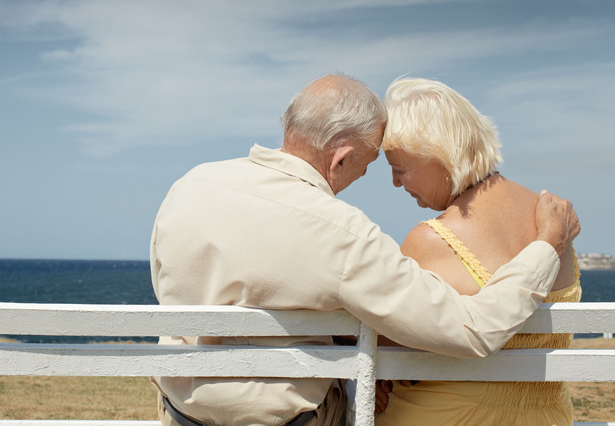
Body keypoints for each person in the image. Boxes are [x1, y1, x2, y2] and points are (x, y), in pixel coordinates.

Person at [149, 74, 580, 426]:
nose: (383, 181)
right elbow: (471, 330)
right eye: (372, 164)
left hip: (180, 412)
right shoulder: (340, 230)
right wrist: (547, 246)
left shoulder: (190, 186)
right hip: (286, 420)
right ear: (341, 159)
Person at [375, 77, 582, 426]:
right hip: (550, 417)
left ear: (440, 159)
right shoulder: (555, 219)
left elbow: (381, 345)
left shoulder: (432, 239)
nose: (396, 183)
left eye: (400, 170)